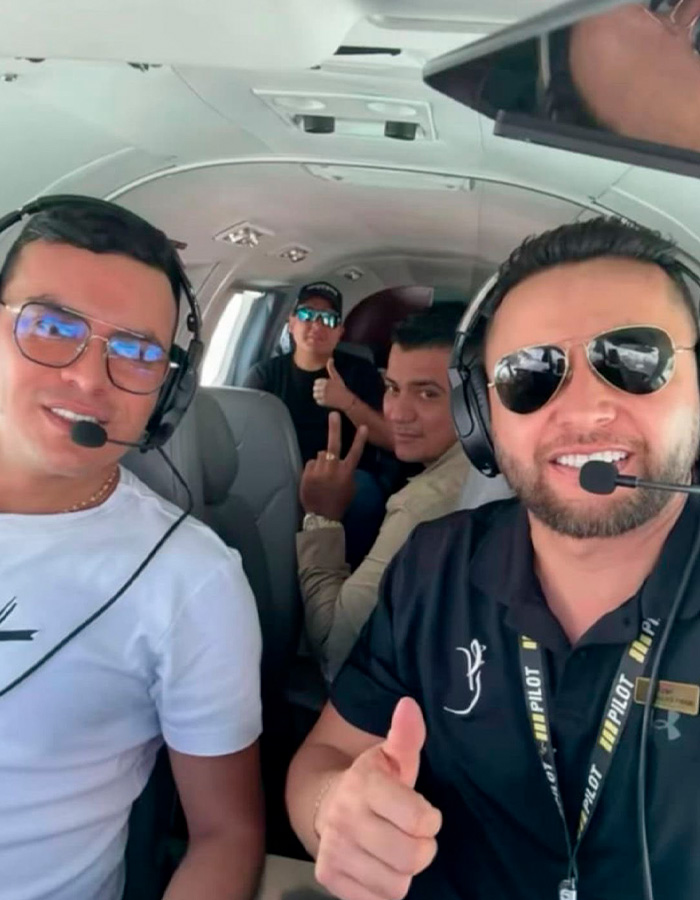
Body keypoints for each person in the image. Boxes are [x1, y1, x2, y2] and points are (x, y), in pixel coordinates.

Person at [285, 217, 700, 900]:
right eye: (530, 373)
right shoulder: (437, 562)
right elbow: (325, 757)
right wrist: (336, 812)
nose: (587, 410)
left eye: (632, 359)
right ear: (484, 415)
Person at [0, 199, 264, 900]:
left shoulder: (189, 581)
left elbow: (227, 833)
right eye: (53, 328)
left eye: (138, 351)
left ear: (169, 391)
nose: (90, 379)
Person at [298, 305, 483, 680]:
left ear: (480, 398)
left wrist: (322, 517)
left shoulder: (425, 505)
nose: (397, 413)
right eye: (392, 388)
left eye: (428, 394)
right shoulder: (493, 470)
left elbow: (337, 650)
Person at [244, 282, 392, 567]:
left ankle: (346, 581)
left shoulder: (360, 372)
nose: (316, 325)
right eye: (307, 314)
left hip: (344, 475)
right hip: (280, 474)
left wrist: (347, 400)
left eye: (328, 319)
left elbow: (389, 438)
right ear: (290, 323)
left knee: (366, 494)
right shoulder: (264, 375)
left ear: (339, 332)